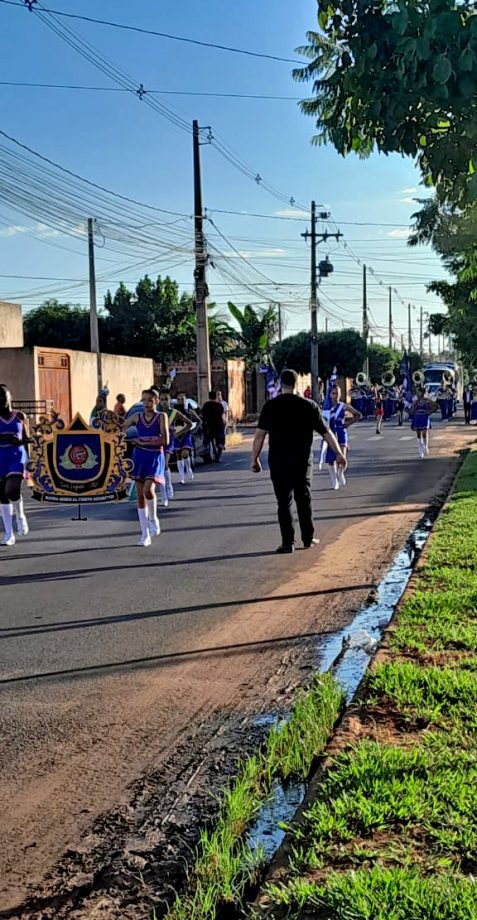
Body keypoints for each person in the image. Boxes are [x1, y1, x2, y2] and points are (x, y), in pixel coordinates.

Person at [251, 369, 347, 554]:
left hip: (278, 461)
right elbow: (327, 433)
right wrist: (338, 454)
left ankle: (288, 543)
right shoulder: (309, 406)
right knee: (303, 498)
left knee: (283, 502)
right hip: (302, 460)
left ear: (281, 383)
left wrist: (254, 459)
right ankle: (308, 538)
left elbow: (259, 436)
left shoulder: (270, 406)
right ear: (296, 383)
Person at [124, 389, 169, 546]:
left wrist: (144, 442)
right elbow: (121, 427)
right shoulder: (137, 417)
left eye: (150, 400)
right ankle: (144, 534)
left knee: (148, 489)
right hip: (139, 456)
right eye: (144, 400)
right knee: (139, 494)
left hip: (155, 456)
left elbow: (165, 440)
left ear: (156, 401)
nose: (147, 403)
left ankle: (153, 518)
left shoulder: (161, 417)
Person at [0, 384, 30, 546]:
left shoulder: (20, 416)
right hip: (0, 458)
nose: (1, 400)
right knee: (2, 496)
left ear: (10, 397)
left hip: (16, 457)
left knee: (11, 490)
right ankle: (9, 534)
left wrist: (20, 441)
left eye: (3, 396)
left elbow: (27, 438)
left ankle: (20, 515)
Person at [325, 385, 361, 490]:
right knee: (331, 459)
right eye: (333, 393)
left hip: (341, 433)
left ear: (340, 394)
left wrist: (347, 424)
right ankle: (334, 481)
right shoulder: (326, 408)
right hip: (330, 434)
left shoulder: (343, 406)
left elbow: (358, 414)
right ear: (330, 395)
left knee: (341, 458)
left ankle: (340, 472)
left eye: (337, 393)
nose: (335, 396)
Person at [160, 391, 192, 499]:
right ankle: (162, 491)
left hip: (169, 442)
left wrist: (178, 433)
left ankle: (168, 487)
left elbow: (189, 423)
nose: (164, 402)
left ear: (170, 401)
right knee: (158, 467)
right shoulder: (157, 413)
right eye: (162, 399)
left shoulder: (174, 413)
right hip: (157, 442)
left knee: (165, 464)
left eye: (166, 399)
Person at [174, 393, 201, 483]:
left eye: (182, 399)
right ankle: (181, 476)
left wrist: (193, 430)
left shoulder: (189, 411)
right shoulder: (173, 411)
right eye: (178, 399)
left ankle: (188, 469)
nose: (180, 401)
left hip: (186, 434)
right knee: (178, 455)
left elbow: (199, 421)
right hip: (176, 434)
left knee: (185, 453)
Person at [410, 388, 438, 458]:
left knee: (424, 433)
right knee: (419, 435)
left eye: (419, 392)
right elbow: (412, 410)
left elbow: (436, 405)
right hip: (417, 418)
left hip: (424, 418)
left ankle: (426, 447)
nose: (417, 394)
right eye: (417, 392)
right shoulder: (415, 402)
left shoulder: (427, 401)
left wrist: (429, 412)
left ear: (422, 393)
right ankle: (420, 451)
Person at [202, 390, 226, 463]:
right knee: (220, 442)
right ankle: (218, 456)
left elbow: (203, 415)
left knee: (211, 440)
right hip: (219, 425)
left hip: (210, 425)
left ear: (209, 397)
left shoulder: (206, 405)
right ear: (215, 396)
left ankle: (214, 453)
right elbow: (222, 414)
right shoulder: (219, 405)